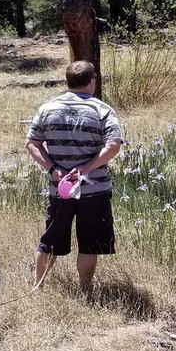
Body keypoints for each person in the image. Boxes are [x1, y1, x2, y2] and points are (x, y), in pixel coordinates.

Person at [25, 60, 123, 295]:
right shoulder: (102, 110)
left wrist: (53, 169)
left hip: (60, 190)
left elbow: (32, 143)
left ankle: (38, 287)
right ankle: (85, 289)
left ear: (68, 82)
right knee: (89, 243)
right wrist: (87, 168)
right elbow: (113, 146)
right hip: (94, 190)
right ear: (92, 81)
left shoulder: (47, 109)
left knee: (50, 241)